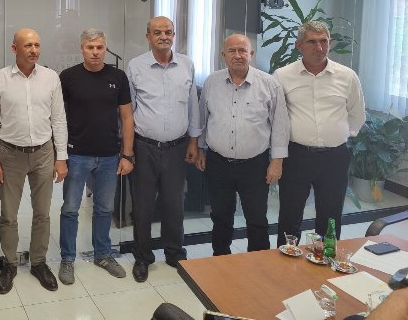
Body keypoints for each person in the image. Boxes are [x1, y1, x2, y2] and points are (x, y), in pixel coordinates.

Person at [0, 28, 68, 294]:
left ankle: (39, 263)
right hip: (10, 154)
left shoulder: (51, 78)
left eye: (37, 45)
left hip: (44, 153)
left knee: (43, 213)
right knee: (9, 214)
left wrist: (61, 157)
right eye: (28, 45)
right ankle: (10, 263)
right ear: (14, 49)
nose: (34, 50)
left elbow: (59, 119)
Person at [195, 34, 290, 255]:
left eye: (242, 50)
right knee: (221, 217)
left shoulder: (269, 84)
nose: (237, 55)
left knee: (256, 218)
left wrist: (277, 161)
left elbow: (280, 125)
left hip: (255, 165)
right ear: (223, 55)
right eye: (232, 51)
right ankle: (221, 260)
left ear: (251, 54)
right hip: (218, 164)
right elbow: (202, 118)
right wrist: (199, 148)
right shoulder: (211, 82)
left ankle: (259, 264)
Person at [275, 20, 366, 247]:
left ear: (330, 43)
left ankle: (325, 258)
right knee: (289, 215)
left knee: (331, 216)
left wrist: (337, 135)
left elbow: (357, 114)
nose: (319, 47)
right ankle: (285, 260)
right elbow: (276, 117)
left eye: (324, 41)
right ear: (299, 46)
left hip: (334, 157)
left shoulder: (347, 76)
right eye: (312, 42)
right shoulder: (282, 76)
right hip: (296, 156)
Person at [126, 16, 201, 282]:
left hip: (177, 147)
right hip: (144, 147)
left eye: (168, 32)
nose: (164, 37)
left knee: (174, 203)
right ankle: (143, 256)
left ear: (174, 35)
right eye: (157, 32)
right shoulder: (135, 66)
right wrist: (127, 150)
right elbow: (128, 111)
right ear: (148, 36)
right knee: (143, 205)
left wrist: (194, 141)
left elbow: (193, 106)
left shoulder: (187, 65)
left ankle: (174, 253)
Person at [57, 29, 134, 284]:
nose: (95, 52)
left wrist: (127, 155)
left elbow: (127, 117)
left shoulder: (118, 77)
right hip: (76, 154)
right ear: (82, 48)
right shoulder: (68, 77)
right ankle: (67, 259)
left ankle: (103, 254)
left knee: (104, 209)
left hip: (109, 156)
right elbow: (57, 117)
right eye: (90, 47)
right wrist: (59, 155)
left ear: (105, 49)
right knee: (70, 209)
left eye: (100, 47)